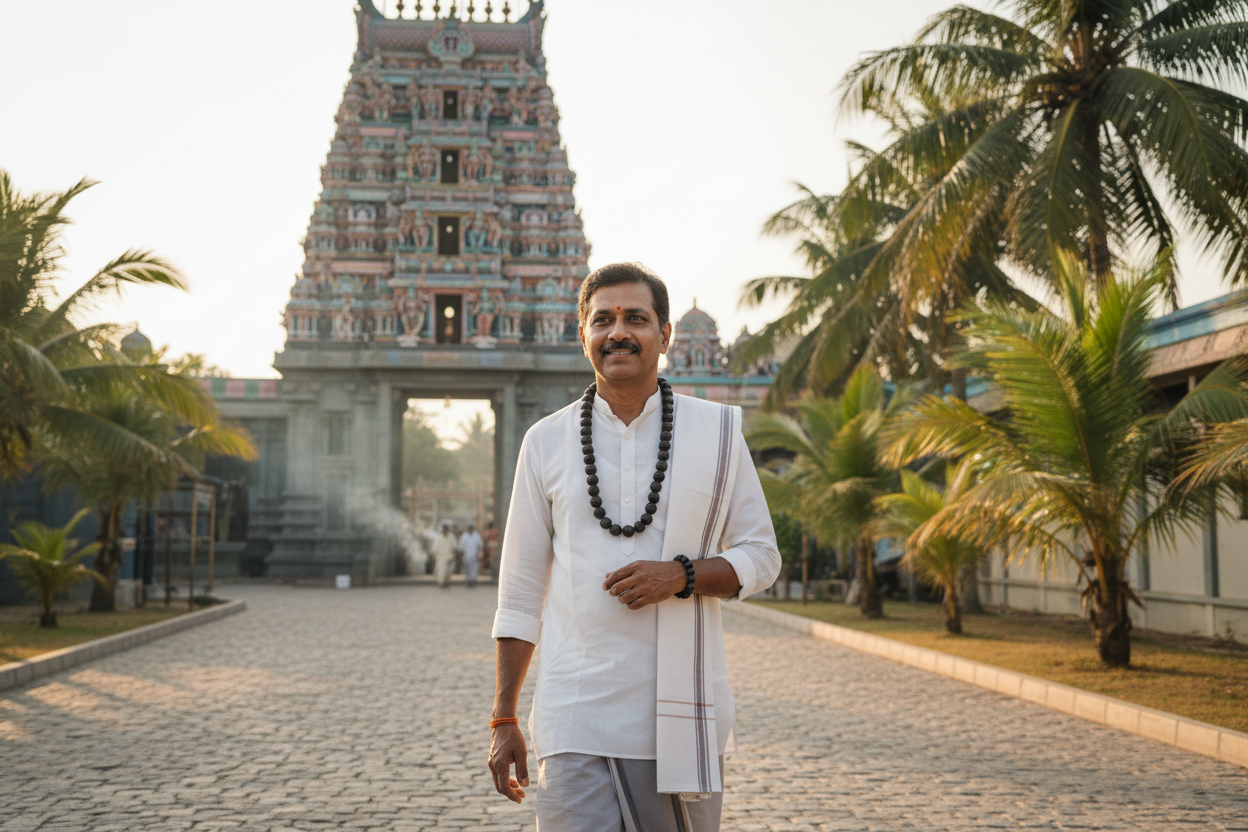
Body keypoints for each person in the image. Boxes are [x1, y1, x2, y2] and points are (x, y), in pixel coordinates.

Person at [488, 262, 780, 831]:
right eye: (603, 320)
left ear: (665, 335)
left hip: (682, 716)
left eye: (636, 319)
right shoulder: (545, 440)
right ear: (584, 336)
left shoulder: (717, 432)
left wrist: (682, 575)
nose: (617, 332)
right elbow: (520, 591)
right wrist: (503, 718)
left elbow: (762, 556)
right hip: (575, 716)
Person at [432, 521, 457, 588]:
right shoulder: (438, 537)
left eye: (446, 529)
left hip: (449, 556)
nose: (445, 530)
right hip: (440, 556)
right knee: (441, 570)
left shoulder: (451, 537)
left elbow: (454, 546)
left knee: (448, 571)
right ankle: (440, 582)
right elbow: (435, 547)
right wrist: (434, 554)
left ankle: (446, 582)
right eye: (444, 529)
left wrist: (454, 554)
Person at [459, 523, 484, 588]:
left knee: (474, 569)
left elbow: (480, 545)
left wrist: (480, 553)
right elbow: (461, 546)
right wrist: (461, 555)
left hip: (474, 555)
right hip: (466, 555)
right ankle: (468, 580)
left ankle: (473, 580)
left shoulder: (476, 535)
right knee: (467, 569)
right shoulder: (464, 536)